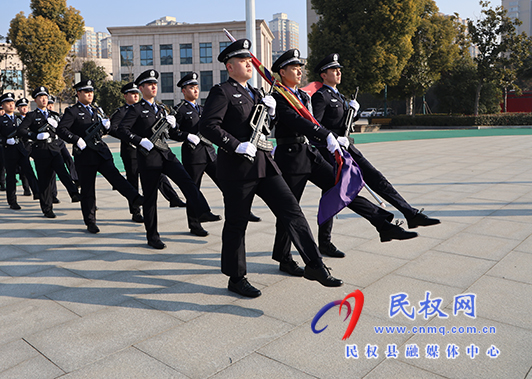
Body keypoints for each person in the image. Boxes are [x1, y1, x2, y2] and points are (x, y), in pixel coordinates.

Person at [199, 39, 342, 298]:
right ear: (230, 67)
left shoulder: (255, 94)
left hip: (266, 164)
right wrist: (235, 145)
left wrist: (272, 113)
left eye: (249, 59)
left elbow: (264, 127)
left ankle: (315, 265)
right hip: (237, 168)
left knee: (292, 211)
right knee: (237, 224)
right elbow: (207, 126)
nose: (249, 63)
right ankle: (236, 277)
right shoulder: (222, 92)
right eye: (243, 61)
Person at [270, 49, 417, 265]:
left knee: (343, 189)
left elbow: (313, 123)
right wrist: (326, 134)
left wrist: (331, 134)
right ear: (282, 72)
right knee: (290, 211)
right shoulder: (278, 97)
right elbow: (298, 122)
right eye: (294, 68)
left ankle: (383, 224)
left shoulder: (301, 96)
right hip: (290, 157)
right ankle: (283, 256)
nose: (299, 71)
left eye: (300, 67)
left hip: (309, 153)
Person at [311, 53, 441, 231]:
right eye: (333, 70)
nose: (338, 72)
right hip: (331, 152)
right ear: (323, 75)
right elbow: (314, 126)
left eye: (339, 69)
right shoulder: (321, 96)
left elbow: (343, 123)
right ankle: (325, 242)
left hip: (348, 148)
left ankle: (410, 213)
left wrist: (354, 113)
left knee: (376, 178)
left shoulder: (339, 96)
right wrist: (333, 137)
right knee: (333, 194)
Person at [117, 69, 220, 249]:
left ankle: (203, 211)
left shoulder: (162, 108)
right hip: (148, 158)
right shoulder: (136, 109)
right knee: (150, 199)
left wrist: (176, 129)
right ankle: (152, 235)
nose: (154, 87)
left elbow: (173, 133)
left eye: (155, 84)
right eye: (150, 84)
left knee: (187, 182)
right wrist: (140, 141)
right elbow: (122, 130)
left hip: (166, 154)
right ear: (141, 88)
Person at [56, 79, 144, 233]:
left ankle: (135, 199)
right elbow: (61, 130)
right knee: (88, 189)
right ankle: (90, 221)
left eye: (91, 91)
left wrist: (107, 128)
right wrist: (76, 140)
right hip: (85, 155)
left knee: (116, 177)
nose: (90, 94)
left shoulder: (97, 110)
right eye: (86, 92)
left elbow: (102, 131)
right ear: (78, 94)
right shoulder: (72, 111)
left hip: (101, 152)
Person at [175, 72, 262, 223]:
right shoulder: (179, 110)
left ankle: (243, 211)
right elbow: (172, 131)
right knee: (193, 189)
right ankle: (195, 223)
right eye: (191, 88)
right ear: (183, 90)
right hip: (193, 155)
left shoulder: (203, 109)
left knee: (226, 185)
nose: (195, 90)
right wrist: (186, 136)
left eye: (196, 87)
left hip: (210, 152)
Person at [109, 81, 186, 223]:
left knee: (160, 175)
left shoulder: (152, 108)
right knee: (133, 180)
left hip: (150, 151)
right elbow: (113, 129)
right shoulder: (122, 112)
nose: (135, 96)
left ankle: (173, 197)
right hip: (131, 150)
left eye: (136, 93)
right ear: (125, 96)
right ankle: (136, 211)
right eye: (132, 94)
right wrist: (133, 139)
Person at [17, 86, 80, 218]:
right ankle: (47, 208)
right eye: (40, 97)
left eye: (45, 97)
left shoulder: (54, 115)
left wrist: (59, 127)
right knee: (45, 181)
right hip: (41, 151)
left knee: (63, 173)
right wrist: (35, 136)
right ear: (35, 99)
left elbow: (65, 129)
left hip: (55, 148)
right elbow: (21, 130)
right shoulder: (31, 115)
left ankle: (74, 193)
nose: (44, 100)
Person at [0, 92, 23, 210]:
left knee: (28, 171)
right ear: (3, 106)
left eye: (12, 103)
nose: (11, 105)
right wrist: (5, 141)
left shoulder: (19, 118)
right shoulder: (0, 120)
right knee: (11, 176)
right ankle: (12, 200)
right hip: (8, 151)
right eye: (8, 103)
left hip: (21, 149)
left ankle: (36, 192)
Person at [15, 97, 39, 199]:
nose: (24, 109)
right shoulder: (16, 120)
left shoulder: (32, 117)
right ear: (18, 109)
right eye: (22, 107)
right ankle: (26, 188)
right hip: (23, 144)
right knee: (25, 168)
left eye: (25, 106)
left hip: (33, 144)